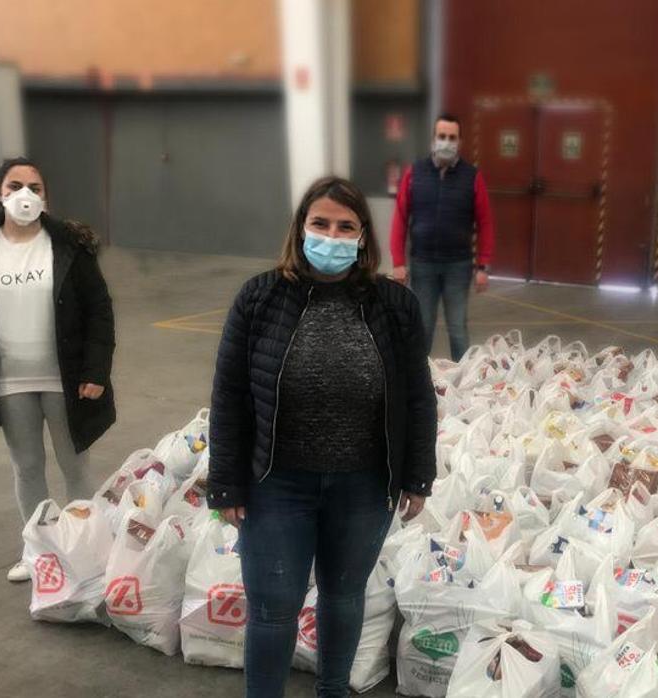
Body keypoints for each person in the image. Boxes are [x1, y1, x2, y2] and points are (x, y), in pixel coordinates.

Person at [206, 176, 437, 698]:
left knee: (343, 595)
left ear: (362, 237)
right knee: (272, 608)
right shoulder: (260, 299)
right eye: (320, 223)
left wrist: (418, 474)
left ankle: (333, 689)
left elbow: (418, 396)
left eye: (345, 226)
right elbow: (230, 395)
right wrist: (226, 483)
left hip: (363, 483)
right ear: (301, 228)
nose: (331, 235)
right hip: (276, 483)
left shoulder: (395, 305)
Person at [0, 157, 116, 583]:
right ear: (0, 193)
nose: (25, 194)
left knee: (74, 465)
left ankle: (85, 548)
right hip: (8, 381)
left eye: (35, 187)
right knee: (27, 466)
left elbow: (99, 310)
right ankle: (38, 552)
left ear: (46, 196)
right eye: (15, 185)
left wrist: (95, 370)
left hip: (66, 379)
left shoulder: (69, 245)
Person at [389, 112, 495, 361]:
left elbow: (485, 223)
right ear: (433, 139)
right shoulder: (414, 173)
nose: (446, 141)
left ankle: (466, 383)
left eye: (452, 137)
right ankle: (418, 383)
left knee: (458, 328)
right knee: (422, 328)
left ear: (460, 142)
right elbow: (400, 218)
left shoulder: (473, 177)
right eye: (442, 136)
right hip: (422, 264)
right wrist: (398, 262)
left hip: (458, 266)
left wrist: (482, 265)